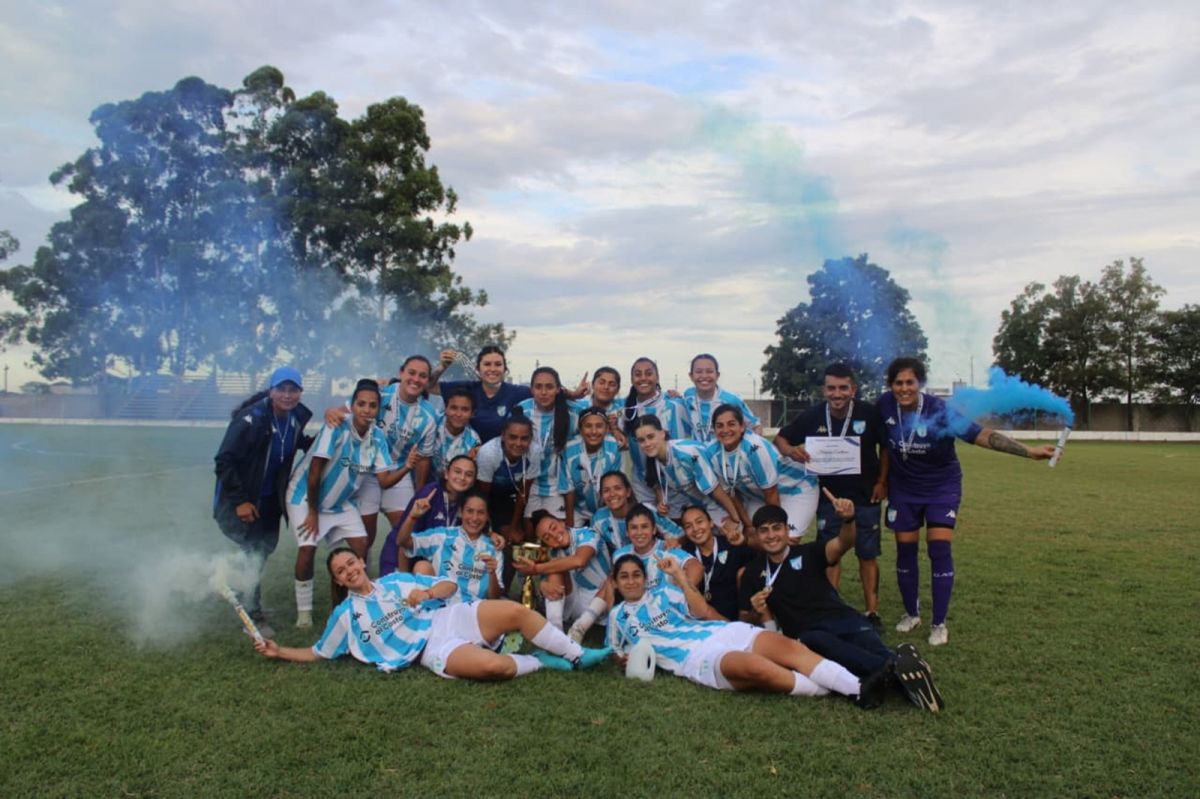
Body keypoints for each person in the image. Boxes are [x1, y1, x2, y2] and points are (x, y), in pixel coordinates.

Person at [879, 357, 1055, 646]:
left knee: (939, 548)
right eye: (898, 383)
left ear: (920, 384)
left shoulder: (939, 410)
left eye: (910, 382)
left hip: (941, 487)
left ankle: (939, 623)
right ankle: (911, 613)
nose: (904, 388)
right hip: (905, 489)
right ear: (890, 385)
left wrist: (1028, 451)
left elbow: (980, 434)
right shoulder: (884, 405)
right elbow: (879, 444)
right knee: (905, 550)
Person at [254, 548, 610, 679]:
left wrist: (426, 593)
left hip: (446, 617)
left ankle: (578, 654)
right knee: (494, 668)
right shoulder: (345, 615)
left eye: (351, 563)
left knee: (515, 611)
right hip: (430, 649)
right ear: (337, 580)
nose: (349, 571)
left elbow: (448, 586)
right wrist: (279, 650)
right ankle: (541, 661)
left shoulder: (395, 581)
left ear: (361, 561)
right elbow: (318, 652)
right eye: (341, 571)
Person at [738, 499, 944, 712]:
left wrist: (848, 520)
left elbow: (842, 544)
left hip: (843, 618)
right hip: (808, 634)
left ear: (787, 530)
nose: (771, 535)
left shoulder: (809, 552)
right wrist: (756, 610)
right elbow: (744, 620)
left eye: (776, 528)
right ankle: (900, 667)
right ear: (757, 535)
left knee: (865, 641)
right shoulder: (752, 572)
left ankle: (893, 669)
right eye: (764, 530)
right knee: (820, 641)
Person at [606, 553, 882, 705]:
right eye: (624, 577)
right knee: (756, 668)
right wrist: (620, 659)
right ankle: (832, 689)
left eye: (636, 575)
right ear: (615, 583)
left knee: (788, 648)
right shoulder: (617, 616)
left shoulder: (664, 592)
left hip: (720, 631)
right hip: (695, 657)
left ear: (645, 578)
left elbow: (700, 611)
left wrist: (678, 575)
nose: (631, 581)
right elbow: (614, 651)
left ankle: (857, 688)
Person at [285, 379, 407, 628]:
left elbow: (384, 481)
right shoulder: (336, 427)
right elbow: (314, 471)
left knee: (362, 546)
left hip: (340, 503)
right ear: (352, 405)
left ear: (378, 409)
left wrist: (408, 466)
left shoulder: (377, 438)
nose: (366, 410)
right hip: (305, 497)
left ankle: (347, 605)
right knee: (307, 548)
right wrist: (312, 512)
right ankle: (304, 614)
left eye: (372, 406)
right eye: (361, 404)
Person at [774, 363, 888, 627]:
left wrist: (882, 482)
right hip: (828, 498)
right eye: (832, 388)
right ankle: (830, 608)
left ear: (853, 389)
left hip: (865, 496)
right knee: (830, 554)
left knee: (867, 554)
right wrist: (791, 451)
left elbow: (885, 448)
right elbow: (780, 439)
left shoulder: (869, 413)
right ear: (824, 390)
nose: (837, 394)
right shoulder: (813, 415)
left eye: (843, 388)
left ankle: (872, 612)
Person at [213, 366, 312, 635]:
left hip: (270, 501)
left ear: (300, 393)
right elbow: (224, 461)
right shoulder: (251, 419)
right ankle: (251, 612)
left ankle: (234, 583)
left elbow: (293, 442)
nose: (287, 395)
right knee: (253, 552)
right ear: (271, 391)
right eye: (282, 389)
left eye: (293, 390)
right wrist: (240, 502)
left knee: (263, 549)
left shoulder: (295, 419)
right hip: (246, 499)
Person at [324, 356, 438, 549]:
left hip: (398, 472)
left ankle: (401, 568)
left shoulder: (428, 416)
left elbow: (423, 460)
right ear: (401, 373)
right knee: (365, 537)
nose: (416, 379)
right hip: (366, 472)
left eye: (422, 376)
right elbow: (341, 412)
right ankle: (361, 567)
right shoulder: (380, 394)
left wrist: (419, 493)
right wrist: (330, 412)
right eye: (411, 373)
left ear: (427, 381)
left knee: (407, 530)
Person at [633, 414, 747, 531]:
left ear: (662, 433)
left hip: (728, 502)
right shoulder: (655, 461)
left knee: (737, 533)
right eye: (641, 440)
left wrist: (736, 519)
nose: (647, 444)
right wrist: (661, 503)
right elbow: (659, 486)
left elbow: (717, 490)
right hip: (702, 507)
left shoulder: (687, 453)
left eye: (651, 437)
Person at [392, 491, 504, 603]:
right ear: (460, 512)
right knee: (422, 566)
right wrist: (412, 517)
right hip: (440, 606)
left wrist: (492, 573)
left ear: (487, 516)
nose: (474, 518)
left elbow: (494, 598)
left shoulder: (494, 548)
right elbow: (403, 542)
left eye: (481, 513)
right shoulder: (443, 536)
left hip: (474, 609)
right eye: (469, 511)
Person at [378, 454, 480, 576]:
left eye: (469, 474)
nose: (462, 477)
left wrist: (492, 535)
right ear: (446, 474)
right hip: (399, 558)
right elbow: (403, 542)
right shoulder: (429, 495)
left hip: (429, 561)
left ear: (473, 481)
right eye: (457, 472)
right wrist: (404, 579)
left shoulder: (468, 503)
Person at [517, 511, 609, 637]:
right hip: (575, 603)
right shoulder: (554, 553)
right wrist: (543, 585)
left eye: (553, 528)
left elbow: (579, 561)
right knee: (555, 569)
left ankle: (565, 631)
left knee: (555, 566)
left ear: (562, 523)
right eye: (547, 538)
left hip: (602, 600)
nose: (554, 536)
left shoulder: (588, 533)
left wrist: (536, 569)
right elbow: (546, 582)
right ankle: (556, 634)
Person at [704, 403, 782, 537]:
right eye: (720, 426)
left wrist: (773, 527)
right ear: (714, 430)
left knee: (781, 536)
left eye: (731, 424)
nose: (725, 430)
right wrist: (748, 525)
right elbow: (730, 493)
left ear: (742, 427)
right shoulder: (712, 452)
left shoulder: (755, 448)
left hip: (788, 490)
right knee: (753, 535)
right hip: (758, 496)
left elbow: (771, 492)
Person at [590, 470, 684, 581]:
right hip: (625, 574)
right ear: (601, 496)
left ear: (628, 492)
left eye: (617, 488)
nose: (612, 494)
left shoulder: (646, 510)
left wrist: (674, 542)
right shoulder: (598, 519)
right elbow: (597, 550)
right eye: (606, 490)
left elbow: (679, 534)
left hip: (657, 567)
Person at [621, 357, 689, 506]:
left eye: (648, 373)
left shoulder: (676, 405)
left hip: (677, 483)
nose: (643, 378)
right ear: (632, 380)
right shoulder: (625, 409)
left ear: (657, 377)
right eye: (638, 374)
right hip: (643, 484)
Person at [430, 345, 532, 444]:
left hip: (503, 454)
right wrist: (442, 367)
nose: (492, 369)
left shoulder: (517, 392)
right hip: (467, 452)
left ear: (505, 369)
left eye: (498, 364)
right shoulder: (467, 388)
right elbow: (429, 387)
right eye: (487, 364)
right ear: (478, 369)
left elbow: (540, 396)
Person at [516, 366, 577, 525]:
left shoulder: (572, 411)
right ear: (531, 390)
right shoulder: (522, 410)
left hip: (556, 484)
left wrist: (615, 430)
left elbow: (597, 417)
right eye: (538, 387)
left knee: (554, 531)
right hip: (528, 482)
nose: (543, 392)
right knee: (530, 533)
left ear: (558, 389)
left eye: (549, 387)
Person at [678, 505, 755, 622]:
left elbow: (761, 560)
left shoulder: (731, 543)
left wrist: (745, 541)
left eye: (699, 522)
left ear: (711, 523)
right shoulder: (684, 555)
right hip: (703, 621)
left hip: (736, 619)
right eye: (688, 526)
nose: (695, 529)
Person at [474, 412, 542, 543]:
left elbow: (524, 492)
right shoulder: (488, 453)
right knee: (486, 536)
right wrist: (488, 527)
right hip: (485, 495)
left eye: (524, 438)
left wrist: (513, 526)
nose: (518, 443)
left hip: (507, 498)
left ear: (531, 439)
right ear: (503, 436)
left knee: (516, 537)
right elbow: (483, 494)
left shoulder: (534, 452)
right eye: (513, 437)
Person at [561, 407, 624, 527]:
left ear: (606, 429)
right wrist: (570, 523)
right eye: (588, 426)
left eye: (599, 426)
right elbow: (568, 489)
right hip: (578, 509)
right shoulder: (569, 450)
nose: (594, 431)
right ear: (580, 429)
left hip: (606, 506)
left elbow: (615, 483)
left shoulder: (613, 447)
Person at [682, 353, 761, 443]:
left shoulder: (731, 400)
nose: (704, 376)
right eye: (699, 372)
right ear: (691, 376)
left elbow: (756, 426)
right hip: (698, 451)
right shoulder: (688, 396)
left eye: (709, 371)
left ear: (717, 375)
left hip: (725, 451)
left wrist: (749, 448)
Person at [431, 387, 481, 479]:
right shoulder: (431, 423)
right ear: (446, 408)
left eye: (465, 410)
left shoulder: (473, 442)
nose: (458, 414)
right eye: (453, 408)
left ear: (472, 413)